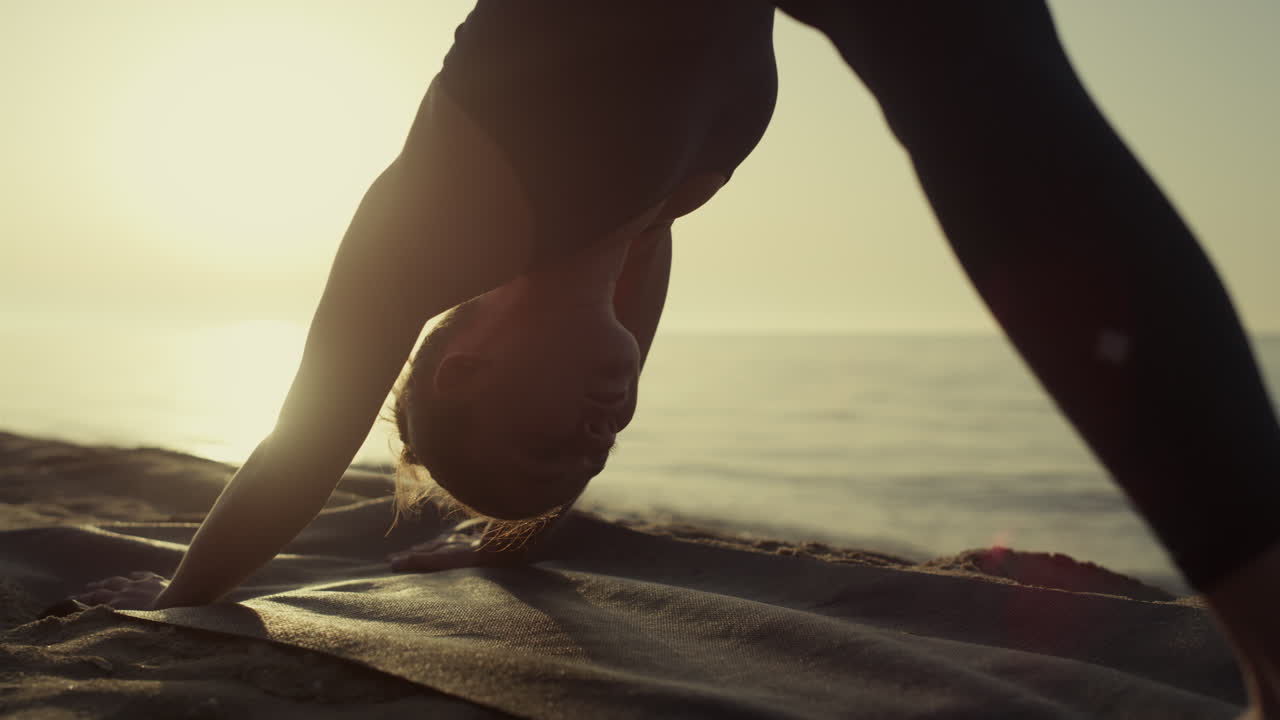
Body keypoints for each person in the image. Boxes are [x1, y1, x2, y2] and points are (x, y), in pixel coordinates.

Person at [80, 1, 1279, 715]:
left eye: (546, 441)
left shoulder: (434, 223)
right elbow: (593, 397)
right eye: (589, 457)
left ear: (460, 367)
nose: (595, 432)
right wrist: (523, 516)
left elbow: (299, 449)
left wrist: (179, 598)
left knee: (989, 118)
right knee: (980, 96)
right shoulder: (647, 231)